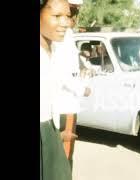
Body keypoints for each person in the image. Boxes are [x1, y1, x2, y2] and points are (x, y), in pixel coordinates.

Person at [53, 0, 91, 169]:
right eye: (73, 12)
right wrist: (83, 89)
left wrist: (81, 72)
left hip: (65, 103)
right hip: (64, 104)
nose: (74, 17)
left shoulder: (67, 34)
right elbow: (61, 73)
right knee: (64, 158)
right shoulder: (60, 35)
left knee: (62, 156)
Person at [40, 0, 73, 179]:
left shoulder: (54, 50)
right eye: (56, 16)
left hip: (50, 129)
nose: (65, 23)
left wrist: (55, 132)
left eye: (67, 16)